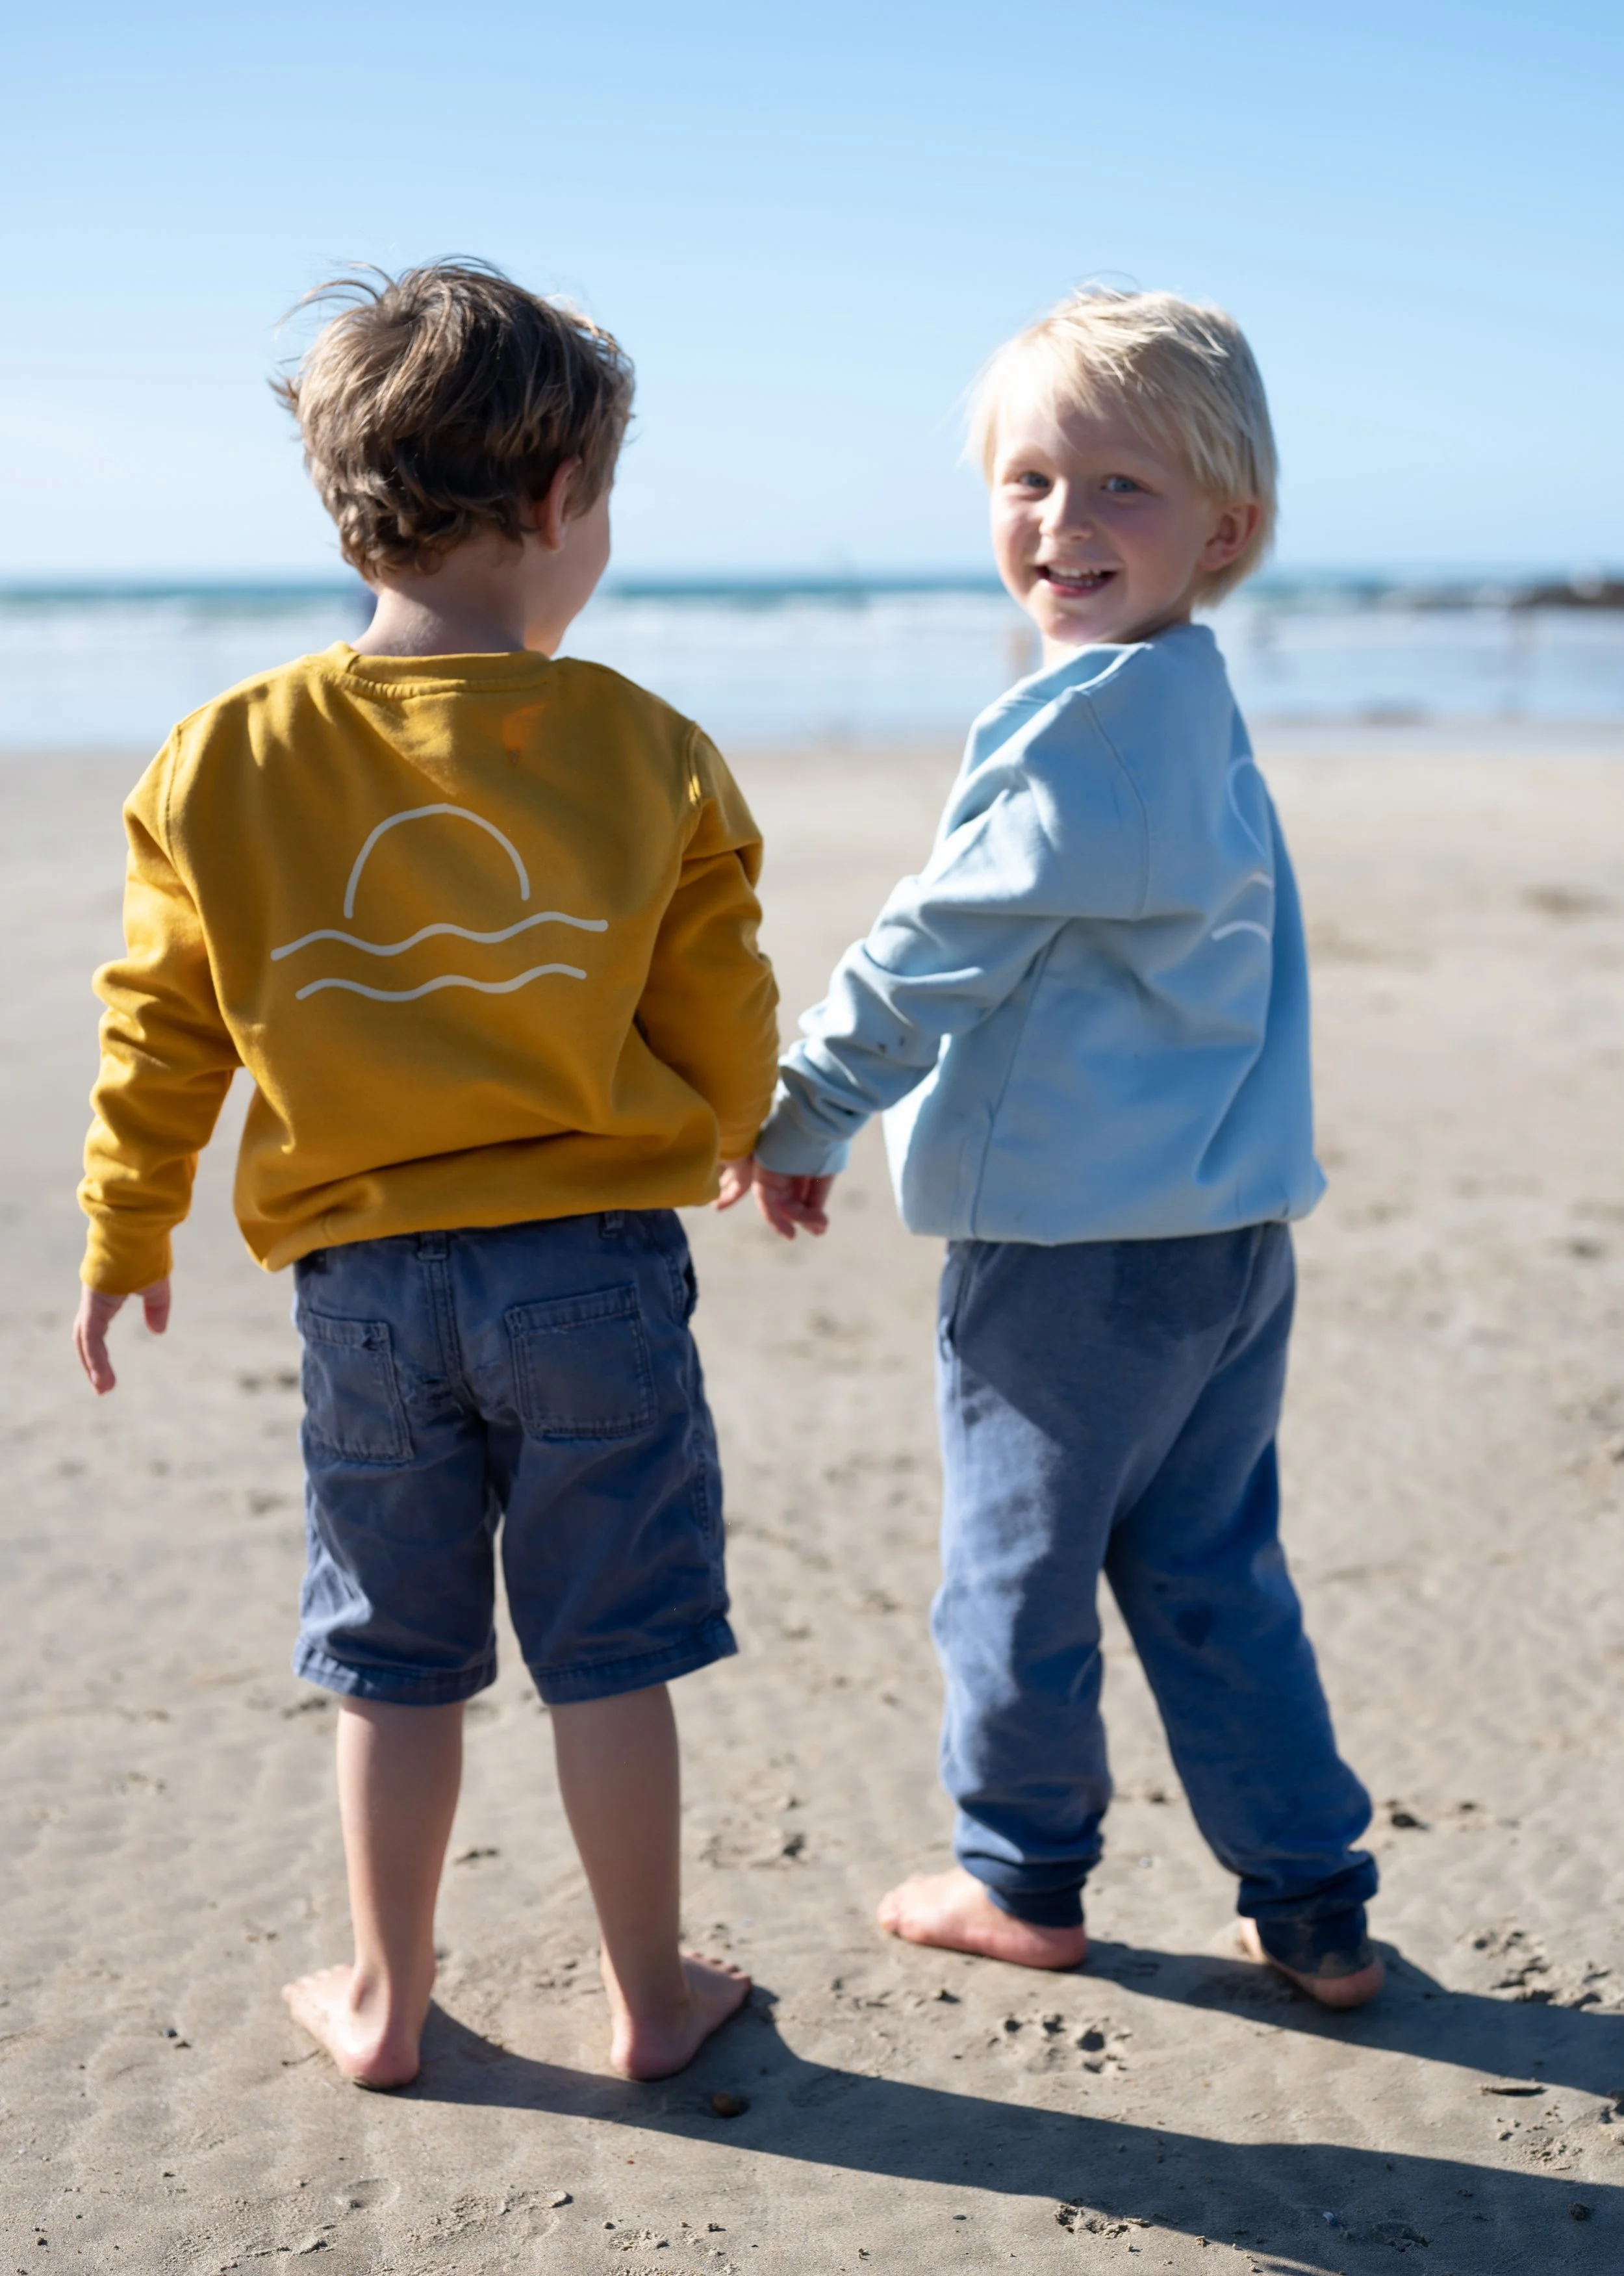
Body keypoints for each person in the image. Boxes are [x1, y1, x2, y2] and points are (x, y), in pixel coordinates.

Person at [73, 262, 780, 2085]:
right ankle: (650, 2000)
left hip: (367, 1290)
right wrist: (736, 1126)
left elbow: (164, 1024)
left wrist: (128, 1223)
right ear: (559, 499)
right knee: (609, 1647)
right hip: (592, 1268)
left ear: (345, 503)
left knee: (388, 1653)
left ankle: (388, 2001)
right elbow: (719, 988)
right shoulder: (640, 743)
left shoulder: (223, 757)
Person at [739, 288, 1382, 2008]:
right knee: (1212, 1571)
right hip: (1227, 1241)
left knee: (1013, 1578)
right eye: (1027, 479)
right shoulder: (1186, 700)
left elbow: (937, 942)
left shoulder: (1085, 727)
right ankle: (1312, 1901)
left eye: (1120, 488)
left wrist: (810, 1100)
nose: (1061, 520)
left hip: (1071, 1257)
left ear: (1223, 528)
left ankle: (1020, 1876)